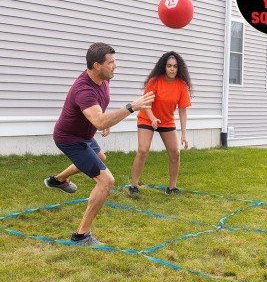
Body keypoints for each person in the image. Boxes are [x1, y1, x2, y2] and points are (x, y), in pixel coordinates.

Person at [44, 42, 155, 246]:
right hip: (70, 139)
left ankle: (57, 180)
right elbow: (98, 117)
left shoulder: (103, 79)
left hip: (84, 135)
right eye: (111, 62)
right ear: (97, 65)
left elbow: (99, 113)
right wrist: (131, 107)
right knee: (107, 181)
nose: (115, 66)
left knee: (100, 157)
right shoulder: (83, 89)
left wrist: (105, 121)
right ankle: (81, 235)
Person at [129, 51, 192, 196]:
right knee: (143, 150)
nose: (172, 69)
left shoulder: (181, 85)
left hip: (167, 120)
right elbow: (146, 104)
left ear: (179, 68)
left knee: (175, 153)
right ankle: (133, 186)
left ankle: (171, 188)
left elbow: (182, 111)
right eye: (169, 66)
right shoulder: (155, 81)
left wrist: (184, 134)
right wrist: (152, 119)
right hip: (147, 117)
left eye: (175, 66)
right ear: (164, 67)